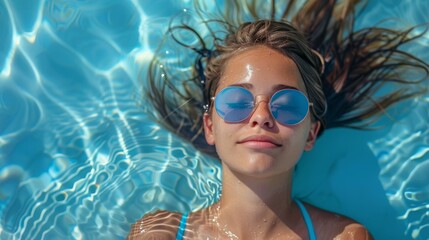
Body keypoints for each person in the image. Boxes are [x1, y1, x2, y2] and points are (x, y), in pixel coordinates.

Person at [128, 0, 428, 239]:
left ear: (311, 133)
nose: (260, 116)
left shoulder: (344, 237)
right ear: (210, 126)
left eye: (286, 105)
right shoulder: (159, 234)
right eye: (236, 102)